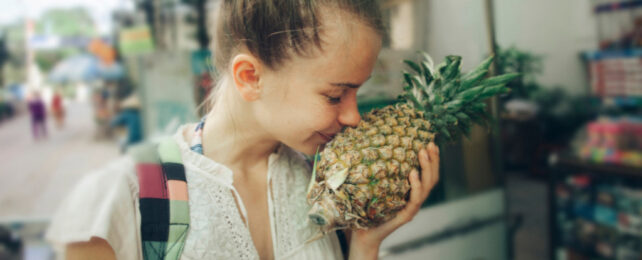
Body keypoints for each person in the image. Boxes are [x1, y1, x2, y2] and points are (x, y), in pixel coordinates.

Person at [45, 1, 441, 259]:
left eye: (358, 91)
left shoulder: (325, 182)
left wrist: (366, 243)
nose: (355, 117)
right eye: (336, 95)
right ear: (250, 76)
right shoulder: (126, 197)